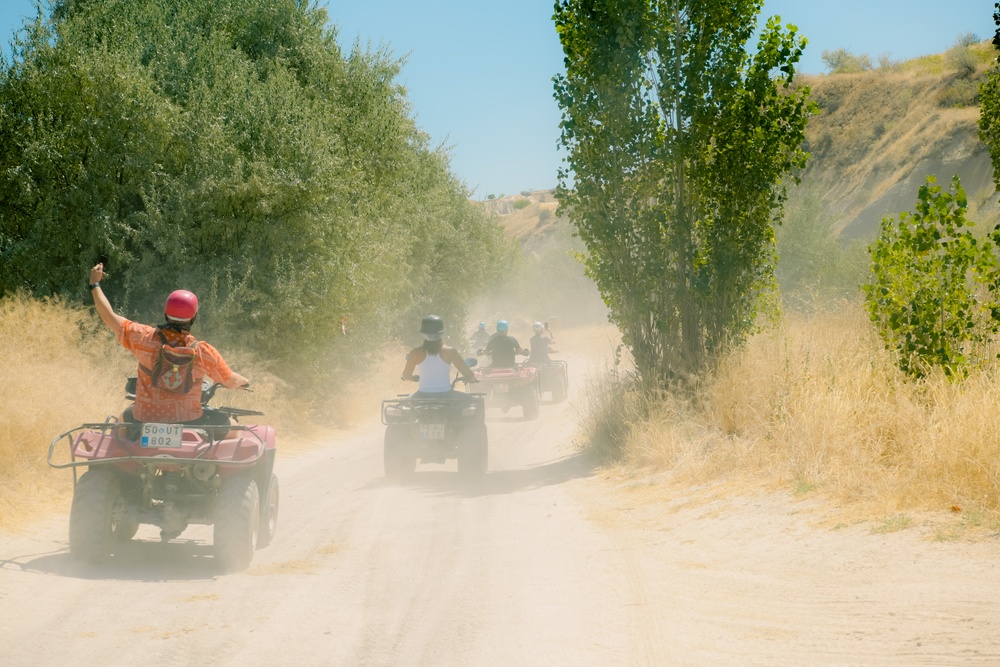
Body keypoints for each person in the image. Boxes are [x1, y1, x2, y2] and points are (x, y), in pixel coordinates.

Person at [87, 263, 250, 429]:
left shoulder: (143, 338)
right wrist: (244, 381)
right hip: (189, 421)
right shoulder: (202, 351)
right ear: (193, 318)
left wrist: (95, 284)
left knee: (123, 418)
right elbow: (230, 380)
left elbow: (108, 316)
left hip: (144, 419)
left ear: (166, 313)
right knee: (233, 426)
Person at [401, 315, 477, 397]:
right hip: (447, 396)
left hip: (422, 396)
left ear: (423, 334)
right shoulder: (450, 352)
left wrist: (413, 378)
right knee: (473, 401)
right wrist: (472, 379)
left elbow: (406, 376)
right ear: (441, 333)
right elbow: (469, 375)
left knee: (403, 404)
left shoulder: (414, 353)